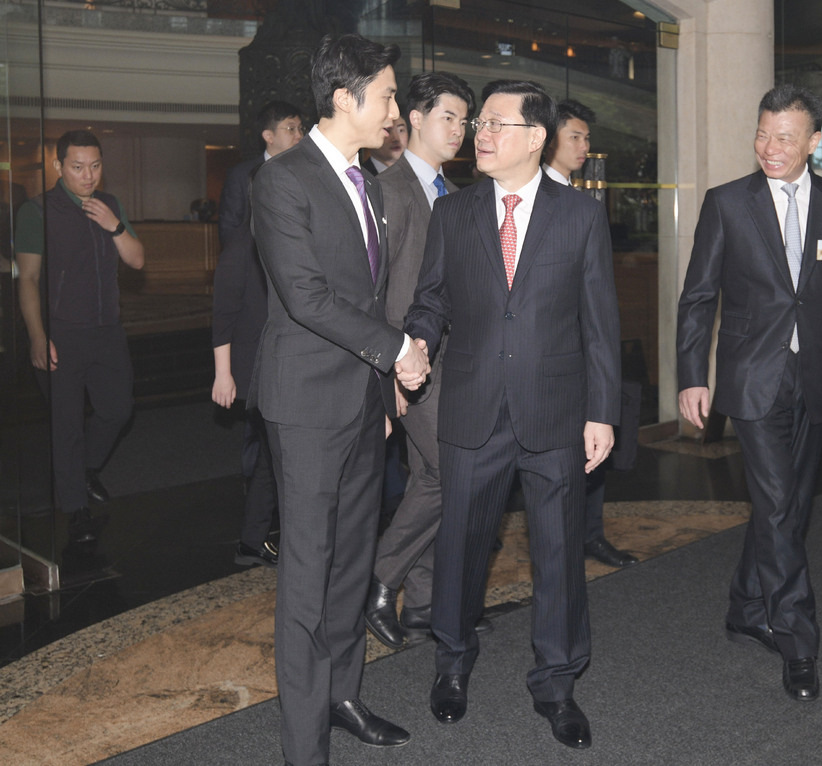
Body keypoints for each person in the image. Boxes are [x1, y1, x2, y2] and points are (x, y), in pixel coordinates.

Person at [406, 79, 621, 749]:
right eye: (479, 126)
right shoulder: (455, 213)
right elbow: (431, 300)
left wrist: (603, 412)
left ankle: (556, 683)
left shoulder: (579, 217)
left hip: (555, 411)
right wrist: (414, 340)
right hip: (471, 407)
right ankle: (452, 662)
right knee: (462, 543)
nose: (482, 136)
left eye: (497, 124)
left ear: (535, 138)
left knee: (557, 552)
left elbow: (599, 325)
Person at [248, 33, 430, 765]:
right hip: (306, 409)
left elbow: (377, 295)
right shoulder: (283, 180)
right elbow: (306, 297)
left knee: (353, 563)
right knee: (307, 574)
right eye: (387, 95)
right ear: (345, 97)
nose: (395, 108)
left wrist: (385, 381)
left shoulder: (373, 182)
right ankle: (304, 746)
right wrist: (397, 352)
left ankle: (344, 695)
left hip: (363, 404)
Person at [676, 84, 822, 702]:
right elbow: (698, 297)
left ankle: (745, 604)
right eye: (763, 133)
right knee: (775, 502)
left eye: (785, 137)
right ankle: (798, 639)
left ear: (814, 142)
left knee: (786, 504)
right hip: (751, 375)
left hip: (816, 376)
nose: (770, 147)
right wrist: (693, 373)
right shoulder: (727, 203)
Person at [363, 72, 491, 649]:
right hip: (409, 362)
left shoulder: (454, 195)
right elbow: (377, 291)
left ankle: (424, 603)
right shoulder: (386, 191)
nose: (459, 131)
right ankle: (379, 579)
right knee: (449, 472)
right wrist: (389, 369)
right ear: (414, 117)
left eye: (465, 121)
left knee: (425, 475)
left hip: (451, 361)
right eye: (448, 118)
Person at [15, 130, 144, 542]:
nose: (87, 176)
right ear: (57, 166)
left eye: (95, 166)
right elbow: (28, 279)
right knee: (66, 424)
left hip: (108, 332)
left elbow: (138, 260)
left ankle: (84, 469)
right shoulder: (38, 212)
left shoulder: (110, 204)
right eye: (77, 167)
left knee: (118, 410)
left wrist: (114, 224)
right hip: (62, 334)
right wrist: (37, 335)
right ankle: (76, 510)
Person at [542, 98, 638, 569]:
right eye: (575, 136)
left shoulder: (583, 200)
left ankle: (589, 534)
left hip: (585, 352)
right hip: (548, 359)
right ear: (549, 137)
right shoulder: (534, 198)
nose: (585, 146)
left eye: (586, 137)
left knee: (593, 447)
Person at [212, 101, 304, 568]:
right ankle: (260, 540)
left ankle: (258, 540)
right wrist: (223, 375)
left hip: (281, 359)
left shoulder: (282, 243)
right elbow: (222, 313)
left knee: (275, 457)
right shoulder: (241, 246)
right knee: (274, 456)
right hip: (258, 362)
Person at [218, 101, 304, 249]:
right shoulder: (241, 175)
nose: (299, 136)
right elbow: (229, 228)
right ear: (269, 136)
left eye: (301, 129)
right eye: (291, 129)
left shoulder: (308, 173)